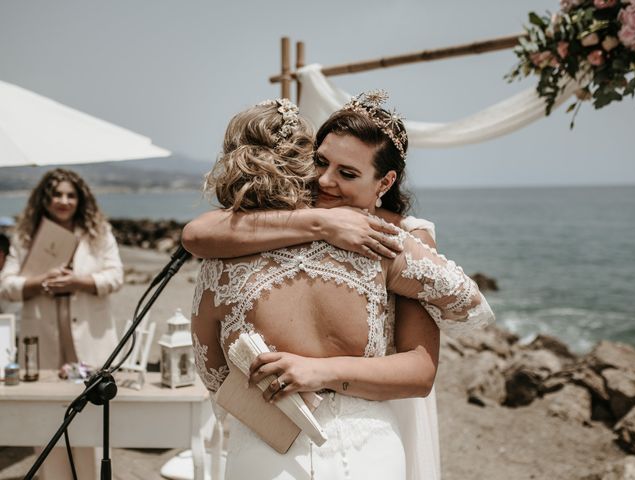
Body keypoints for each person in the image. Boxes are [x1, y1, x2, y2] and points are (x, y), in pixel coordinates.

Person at [189, 98, 493, 479]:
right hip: (282, 447)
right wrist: (322, 223)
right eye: (320, 162)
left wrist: (319, 371)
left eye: (347, 173)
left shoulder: (395, 240)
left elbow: (425, 364)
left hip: (356, 447)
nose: (324, 180)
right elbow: (195, 234)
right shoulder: (261, 230)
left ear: (384, 183)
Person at [0, 168, 123, 480]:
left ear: (81, 199)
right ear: (45, 198)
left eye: (71, 194)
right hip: (43, 335)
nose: (64, 200)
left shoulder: (99, 234)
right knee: (46, 417)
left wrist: (78, 281)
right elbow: (6, 285)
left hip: (86, 338)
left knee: (87, 420)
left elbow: (115, 276)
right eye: (57, 194)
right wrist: (40, 281)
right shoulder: (26, 237)